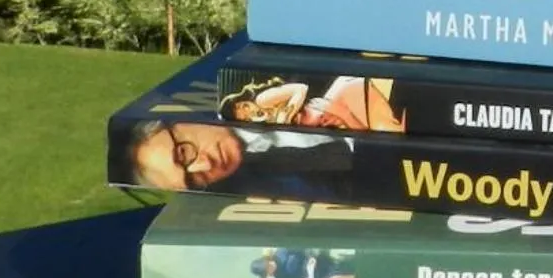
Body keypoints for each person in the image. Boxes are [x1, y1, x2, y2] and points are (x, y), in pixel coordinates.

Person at [119, 118, 353, 192]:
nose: (205, 165)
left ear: (180, 120)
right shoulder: (278, 182)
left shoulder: (257, 81)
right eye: (192, 181)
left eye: (184, 153)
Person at [220, 73, 406, 134]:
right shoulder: (270, 132)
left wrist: (287, 113)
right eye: (244, 117)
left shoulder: (263, 100)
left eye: (244, 105)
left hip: (345, 97)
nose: (249, 111)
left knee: (389, 131)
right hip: (343, 116)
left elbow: (300, 88)